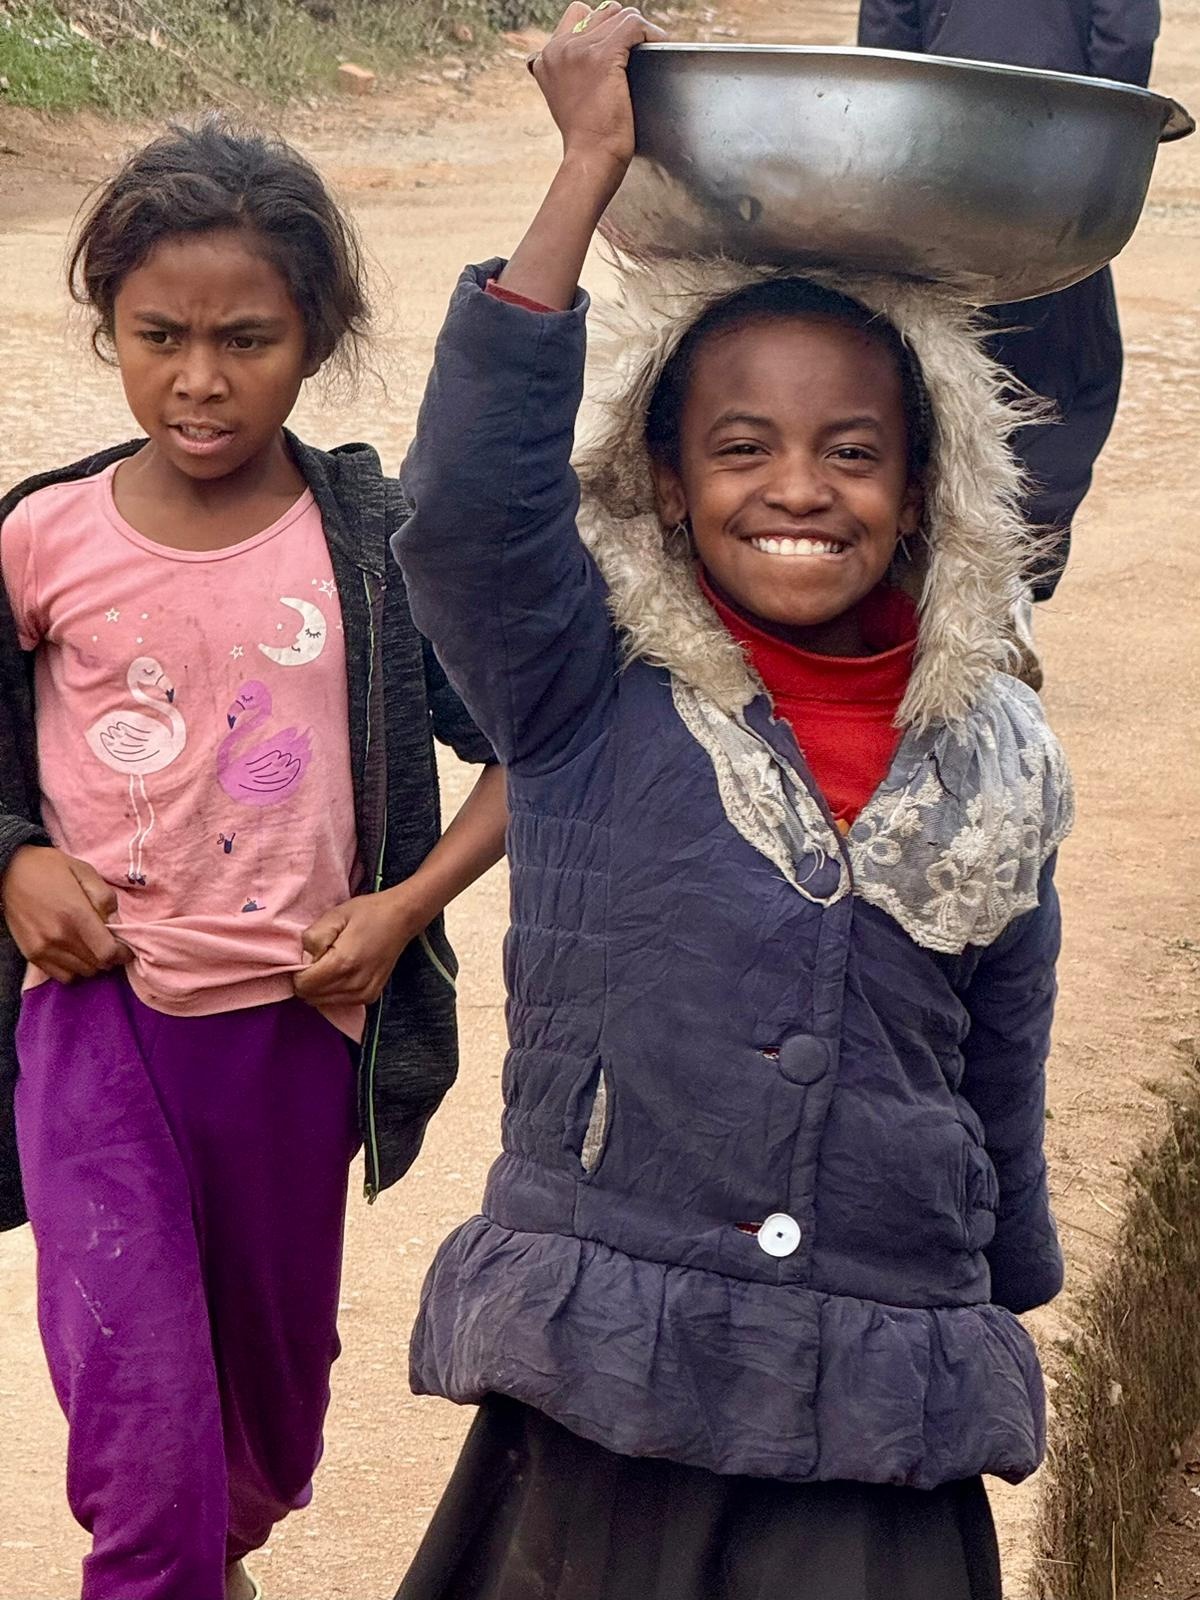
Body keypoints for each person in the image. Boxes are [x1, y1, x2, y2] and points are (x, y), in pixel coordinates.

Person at [389, 6, 1073, 1599]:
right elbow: (465, 510)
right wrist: (586, 168)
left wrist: (1003, 1279)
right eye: (742, 447)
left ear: (925, 490)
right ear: (666, 478)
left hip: (879, 1391)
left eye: (855, 452)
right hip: (610, 1378)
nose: (798, 488)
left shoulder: (996, 754)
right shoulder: (583, 686)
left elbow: (1004, 1044)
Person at [0, 118, 506, 1600]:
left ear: (317, 339)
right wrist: (13, 859)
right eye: (159, 336)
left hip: (298, 1032)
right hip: (99, 1028)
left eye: (246, 340)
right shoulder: (40, 537)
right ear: (108, 326)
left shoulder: (375, 548)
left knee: (262, 1445)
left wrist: (405, 909)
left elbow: (531, 751)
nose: (200, 380)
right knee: (144, 1441)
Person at [858, 0, 1162, 627]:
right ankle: (1012, 579)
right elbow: (1126, 33)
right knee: (1061, 376)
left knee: (930, 358)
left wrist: (902, 138)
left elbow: (887, 29)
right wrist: (1104, 135)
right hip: (1059, 140)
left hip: (941, 138)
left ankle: (921, 578)